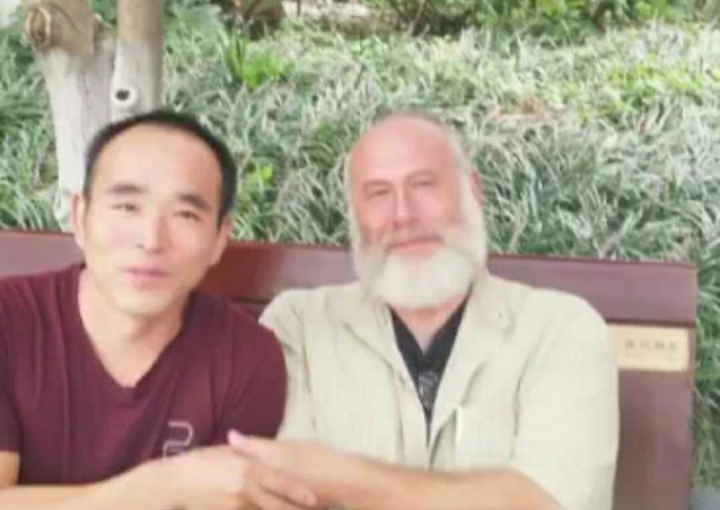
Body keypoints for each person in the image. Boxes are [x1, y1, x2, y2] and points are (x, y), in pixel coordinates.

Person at [255, 113, 619, 510]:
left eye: (423, 185)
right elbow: (284, 494)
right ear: (353, 213)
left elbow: (553, 503)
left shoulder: (560, 328)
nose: (402, 214)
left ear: (473, 191)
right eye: (378, 193)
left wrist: (341, 478)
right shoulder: (299, 326)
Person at [0, 110, 315, 510]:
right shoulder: (9, 320)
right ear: (80, 216)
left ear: (219, 238)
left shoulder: (247, 355)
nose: (151, 239)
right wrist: (159, 488)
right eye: (127, 207)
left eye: (185, 214)